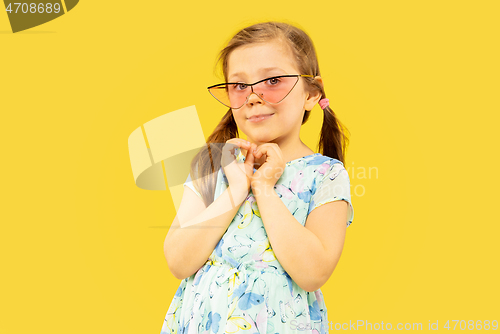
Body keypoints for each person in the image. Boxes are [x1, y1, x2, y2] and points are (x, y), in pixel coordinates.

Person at [161, 21, 354, 334]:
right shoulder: (212, 165)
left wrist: (264, 187)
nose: (252, 97)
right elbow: (179, 262)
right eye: (239, 86)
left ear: (310, 94)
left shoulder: (325, 174)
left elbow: (312, 272)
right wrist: (236, 189)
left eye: (273, 80)